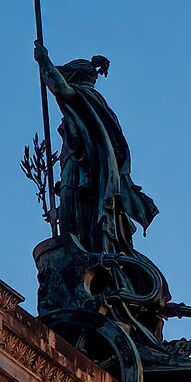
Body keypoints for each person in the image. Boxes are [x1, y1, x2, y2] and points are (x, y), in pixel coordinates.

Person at [34, 39, 158, 256]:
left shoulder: (84, 96)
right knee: (78, 232)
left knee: (75, 237)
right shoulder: (98, 104)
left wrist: (43, 60)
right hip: (82, 177)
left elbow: (59, 87)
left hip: (78, 177)